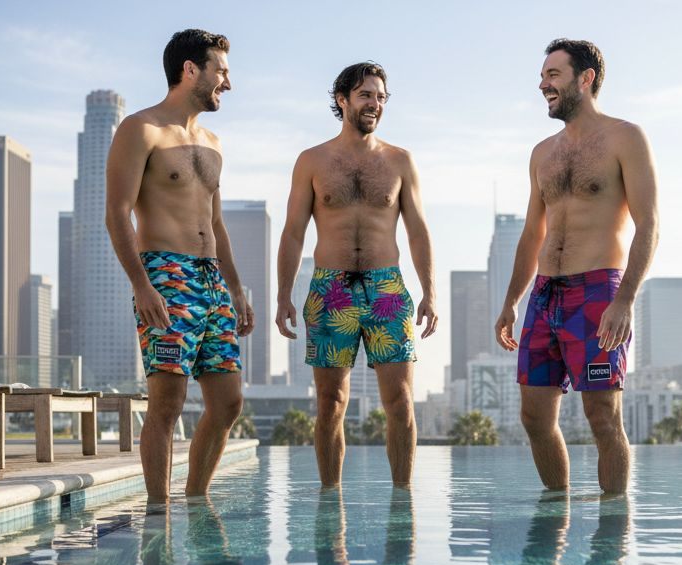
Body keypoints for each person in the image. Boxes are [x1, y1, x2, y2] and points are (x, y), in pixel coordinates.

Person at [494, 39, 659, 494]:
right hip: (545, 294)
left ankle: (610, 546)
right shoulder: (542, 153)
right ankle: (556, 518)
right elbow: (532, 235)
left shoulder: (625, 137)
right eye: (543, 75)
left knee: (603, 416)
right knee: (534, 416)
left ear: (585, 79)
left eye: (553, 75)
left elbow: (649, 224)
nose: (543, 84)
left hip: (597, 291)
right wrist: (512, 300)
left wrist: (625, 300)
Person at [105, 29, 255, 505]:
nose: (227, 83)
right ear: (191, 70)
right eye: (222, 71)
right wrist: (142, 285)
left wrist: (235, 288)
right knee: (167, 403)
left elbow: (216, 222)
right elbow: (116, 213)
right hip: (166, 274)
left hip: (212, 279)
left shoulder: (212, 142)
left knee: (228, 403)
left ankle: (195, 499)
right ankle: (158, 511)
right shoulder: (141, 129)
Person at [275, 61, 438, 488]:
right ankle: (331, 501)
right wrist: (282, 296)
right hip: (331, 289)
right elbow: (292, 233)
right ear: (342, 99)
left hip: (387, 288)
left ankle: (402, 499)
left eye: (381, 97)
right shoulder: (312, 161)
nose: (375, 104)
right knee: (331, 403)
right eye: (366, 95)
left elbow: (418, 231)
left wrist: (430, 293)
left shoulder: (400, 161)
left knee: (400, 402)